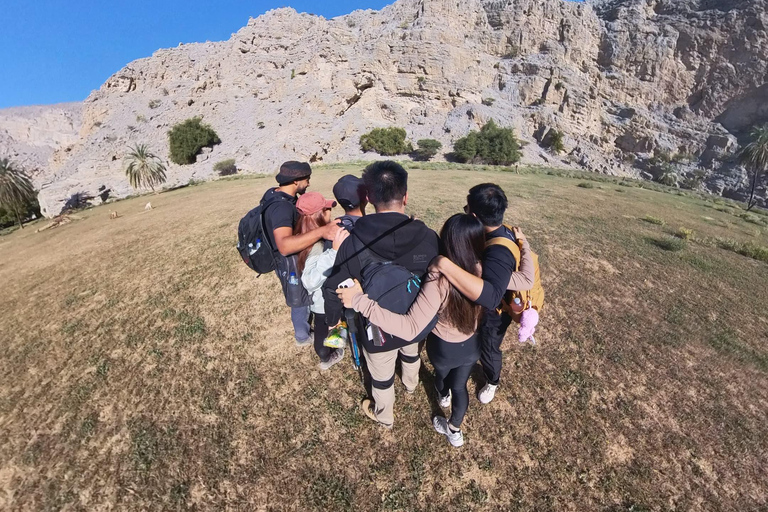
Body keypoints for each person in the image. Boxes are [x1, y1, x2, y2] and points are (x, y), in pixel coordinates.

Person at [337, 215, 534, 447]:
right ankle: (455, 430)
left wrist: (360, 301)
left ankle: (442, 398)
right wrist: (524, 244)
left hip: (442, 349)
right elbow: (527, 279)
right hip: (472, 348)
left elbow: (410, 328)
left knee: (441, 380)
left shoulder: (438, 279)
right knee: (460, 387)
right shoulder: (485, 274)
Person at [324, 161, 439, 429]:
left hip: (377, 328)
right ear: (406, 196)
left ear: (369, 198)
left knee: (381, 376)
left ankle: (385, 416)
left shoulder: (352, 242)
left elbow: (334, 288)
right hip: (416, 321)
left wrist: (333, 320)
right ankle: (411, 385)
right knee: (412, 354)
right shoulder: (429, 237)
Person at [432, 183, 532, 404]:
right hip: (487, 308)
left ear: (475, 215)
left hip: (496, 314)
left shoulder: (498, 252)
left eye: (466, 209)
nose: (465, 211)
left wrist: (445, 265)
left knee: (489, 348)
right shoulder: (500, 230)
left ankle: (492, 381)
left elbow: (491, 296)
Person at [261, 161, 339, 345]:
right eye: (307, 179)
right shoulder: (282, 208)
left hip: (291, 257)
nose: (309, 183)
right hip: (288, 261)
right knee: (299, 299)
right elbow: (285, 246)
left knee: (301, 296)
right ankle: (302, 336)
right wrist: (321, 231)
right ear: (296, 181)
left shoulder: (275, 193)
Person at [296, 192, 350, 370]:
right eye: (327, 209)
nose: (330, 213)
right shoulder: (318, 246)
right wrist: (334, 252)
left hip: (319, 303)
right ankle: (326, 357)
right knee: (324, 329)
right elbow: (310, 281)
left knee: (322, 326)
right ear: (318, 215)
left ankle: (328, 349)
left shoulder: (304, 235)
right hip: (323, 302)